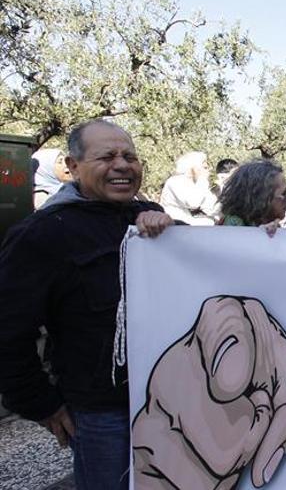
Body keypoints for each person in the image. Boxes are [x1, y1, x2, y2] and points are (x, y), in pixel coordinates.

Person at [0, 119, 174, 489]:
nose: (122, 164)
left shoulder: (151, 219)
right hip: (102, 413)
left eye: (130, 156)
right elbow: (8, 330)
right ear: (73, 166)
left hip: (168, 399)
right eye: (107, 156)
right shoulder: (42, 234)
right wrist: (41, 403)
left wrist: (285, 242)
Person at [217, 159, 286, 236]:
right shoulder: (232, 227)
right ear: (261, 197)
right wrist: (258, 235)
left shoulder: (267, 224)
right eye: (284, 193)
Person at [159, 151, 217, 226]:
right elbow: (193, 202)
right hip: (173, 222)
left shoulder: (197, 183)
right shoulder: (175, 181)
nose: (208, 171)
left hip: (186, 222)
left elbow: (210, 207)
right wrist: (203, 180)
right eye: (205, 168)